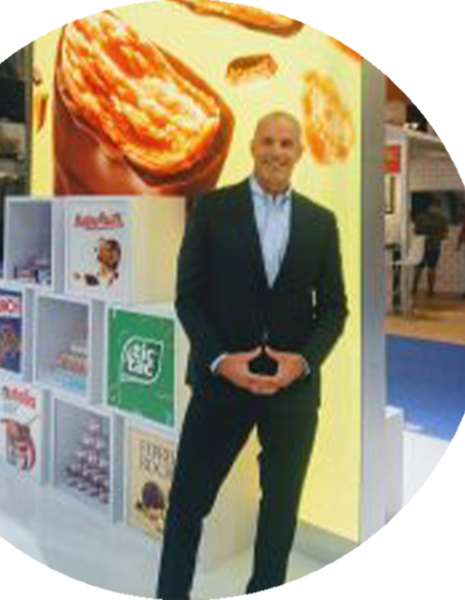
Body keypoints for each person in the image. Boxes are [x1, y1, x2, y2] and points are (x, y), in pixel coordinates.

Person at [156, 112, 348, 600]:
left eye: (287, 143)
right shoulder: (212, 209)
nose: (276, 152)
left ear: (300, 152)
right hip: (221, 386)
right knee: (186, 507)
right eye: (268, 141)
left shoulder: (320, 223)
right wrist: (221, 359)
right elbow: (188, 298)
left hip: (292, 395)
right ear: (252, 146)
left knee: (280, 513)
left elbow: (333, 309)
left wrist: (301, 363)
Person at [412, 201, 448, 296]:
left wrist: (434, 234)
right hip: (422, 246)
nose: (434, 209)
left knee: (431, 268)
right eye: (432, 207)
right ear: (429, 207)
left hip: (434, 246)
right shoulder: (421, 217)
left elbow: (445, 234)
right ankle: (414, 288)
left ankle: (430, 290)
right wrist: (431, 233)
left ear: (438, 208)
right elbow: (416, 231)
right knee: (418, 269)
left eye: (436, 207)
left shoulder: (442, 219)